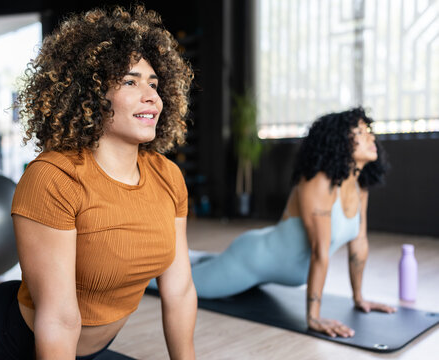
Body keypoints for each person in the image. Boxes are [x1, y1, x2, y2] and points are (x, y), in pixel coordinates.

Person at [0, 5, 197, 360]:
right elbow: (58, 318)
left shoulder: (168, 176)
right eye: (130, 81)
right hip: (7, 340)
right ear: (91, 93)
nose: (152, 96)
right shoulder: (54, 177)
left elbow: (179, 290)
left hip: (72, 339)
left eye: (154, 83)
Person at [152, 107, 396, 338]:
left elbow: (359, 244)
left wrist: (359, 298)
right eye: (360, 133)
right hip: (252, 260)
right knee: (177, 285)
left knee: (199, 263)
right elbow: (319, 251)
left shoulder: (358, 185)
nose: (371, 138)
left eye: (369, 131)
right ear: (339, 142)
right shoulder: (318, 182)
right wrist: (314, 317)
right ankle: (139, 269)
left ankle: (191, 256)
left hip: (267, 258)